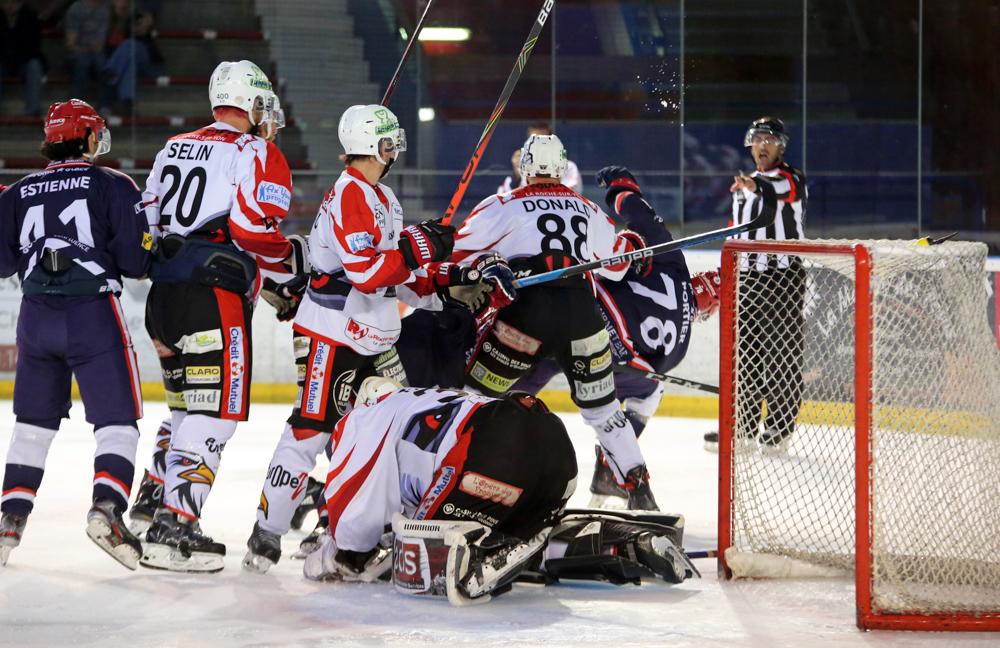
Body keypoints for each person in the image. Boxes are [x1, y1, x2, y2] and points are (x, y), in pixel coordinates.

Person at [241, 104, 510, 572]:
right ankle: (267, 533)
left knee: (392, 429)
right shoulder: (350, 195)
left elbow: (402, 277)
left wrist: (456, 277)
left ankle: (361, 528)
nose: (394, 151)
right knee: (310, 431)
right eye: (389, 143)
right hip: (332, 336)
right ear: (373, 146)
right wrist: (419, 245)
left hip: (376, 338)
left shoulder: (382, 197)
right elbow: (367, 274)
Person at [302, 378, 698, 603]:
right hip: (552, 450)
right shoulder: (419, 401)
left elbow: (352, 538)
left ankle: (493, 551)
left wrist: (324, 559)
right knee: (515, 527)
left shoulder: (365, 418)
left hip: (491, 454)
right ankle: (629, 541)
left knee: (427, 558)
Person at [137, 59, 301, 572]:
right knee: (215, 414)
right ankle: (175, 530)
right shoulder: (256, 150)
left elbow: (147, 223)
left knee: (185, 411)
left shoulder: (172, 146)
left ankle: (150, 503)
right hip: (214, 299)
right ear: (252, 103)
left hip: (163, 301)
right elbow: (253, 231)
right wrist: (291, 261)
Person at [452, 133, 659, 511]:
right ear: (563, 168)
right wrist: (632, 243)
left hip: (525, 316)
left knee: (474, 398)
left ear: (525, 167)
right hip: (581, 316)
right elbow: (617, 265)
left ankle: (456, 482)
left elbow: (456, 254)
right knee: (604, 412)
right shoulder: (588, 209)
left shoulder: (502, 205)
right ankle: (640, 490)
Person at [0, 99, 151, 569]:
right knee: (117, 423)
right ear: (86, 136)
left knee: (31, 427)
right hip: (92, 315)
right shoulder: (113, 184)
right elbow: (136, 262)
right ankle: (107, 508)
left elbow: (2, 264)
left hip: (35, 318)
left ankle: (9, 522)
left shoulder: (18, 192)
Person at [513, 166, 720, 505]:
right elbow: (646, 370)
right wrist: (620, 356)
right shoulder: (681, 344)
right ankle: (614, 470)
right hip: (604, 351)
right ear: (706, 311)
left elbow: (638, 215)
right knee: (646, 393)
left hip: (568, 312)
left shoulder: (672, 262)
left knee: (519, 383)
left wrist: (621, 186)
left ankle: (490, 424)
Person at [705, 116, 807, 452]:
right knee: (745, 356)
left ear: (781, 147)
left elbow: (783, 191)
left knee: (781, 354)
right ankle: (744, 427)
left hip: (783, 278)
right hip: (747, 279)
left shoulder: (791, 178)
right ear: (750, 144)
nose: (763, 144)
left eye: (770, 139)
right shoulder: (743, 189)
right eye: (758, 138)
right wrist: (724, 276)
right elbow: (736, 234)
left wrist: (754, 185)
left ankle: (779, 428)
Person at [102, 9, 164, 114]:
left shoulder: (149, 36)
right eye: (137, 23)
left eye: (142, 23)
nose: (140, 26)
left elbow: (155, 56)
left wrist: (147, 31)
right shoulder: (125, 34)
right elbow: (110, 49)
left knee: (130, 45)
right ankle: (127, 102)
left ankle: (110, 72)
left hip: (149, 66)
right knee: (130, 65)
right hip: (130, 65)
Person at [497, 122, 582, 194]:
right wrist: (518, 174)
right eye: (534, 140)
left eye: (543, 139)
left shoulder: (568, 166)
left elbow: (571, 194)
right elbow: (505, 197)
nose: (539, 145)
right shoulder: (523, 166)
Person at [0, 0, 45, 116]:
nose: (10, 6)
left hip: (24, 61)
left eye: (14, 2)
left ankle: (33, 110)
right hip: (2, 62)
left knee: (34, 66)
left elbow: (33, 46)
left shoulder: (30, 17)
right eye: (6, 2)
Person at [64, 0, 110, 104]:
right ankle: (76, 106)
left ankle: (105, 106)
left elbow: (101, 45)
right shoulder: (77, 8)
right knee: (83, 61)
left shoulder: (107, 8)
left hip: (99, 54)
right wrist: (88, 48)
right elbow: (71, 44)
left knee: (103, 63)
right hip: (76, 55)